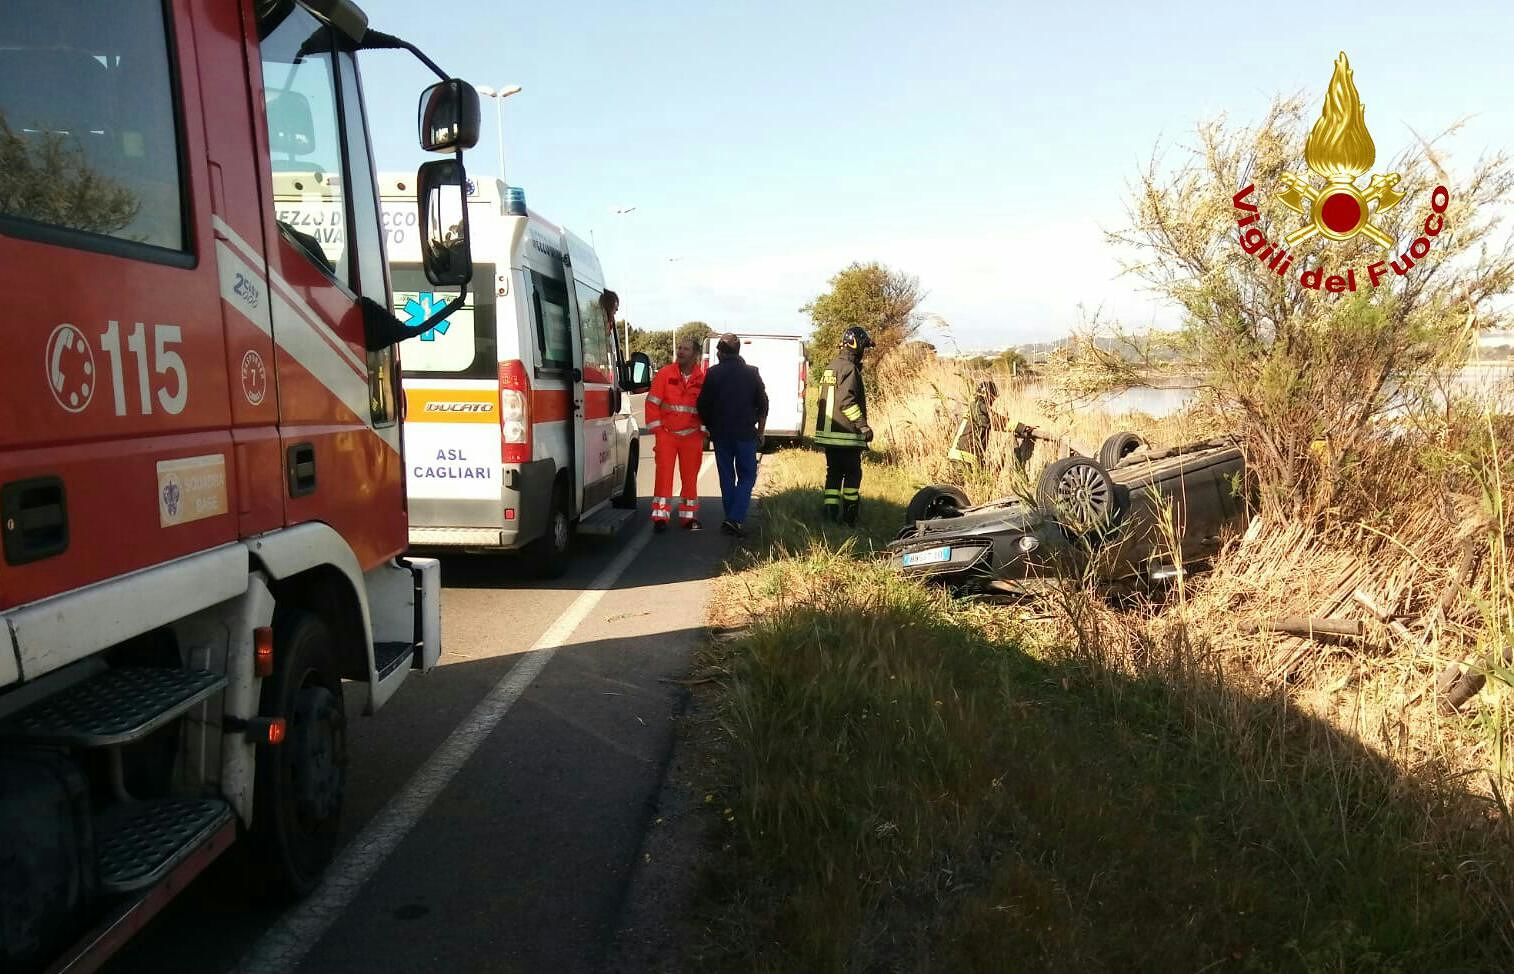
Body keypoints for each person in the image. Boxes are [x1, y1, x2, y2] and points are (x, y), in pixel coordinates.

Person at [697, 332, 769, 537]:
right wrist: (761, 432)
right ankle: (735, 519)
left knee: (726, 477)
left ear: (720, 352)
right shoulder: (752, 373)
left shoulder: (712, 374)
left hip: (721, 435)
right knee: (747, 476)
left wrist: (709, 426)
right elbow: (763, 405)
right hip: (746, 434)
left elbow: (702, 405)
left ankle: (732, 518)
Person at [813, 325, 875, 525]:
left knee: (833, 474)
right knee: (852, 475)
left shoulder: (832, 367)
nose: (865, 351)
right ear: (857, 346)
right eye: (864, 347)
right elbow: (846, 402)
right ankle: (850, 516)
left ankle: (830, 515)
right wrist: (863, 426)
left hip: (829, 436)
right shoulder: (849, 369)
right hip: (846, 435)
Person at [645, 337, 706, 532]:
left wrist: (703, 432)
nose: (680, 351)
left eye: (685, 349)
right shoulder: (664, 374)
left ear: (695, 354)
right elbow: (652, 403)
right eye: (679, 348)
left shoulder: (702, 378)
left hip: (692, 436)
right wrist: (658, 431)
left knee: (690, 478)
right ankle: (660, 518)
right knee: (663, 477)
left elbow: (707, 408)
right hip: (667, 435)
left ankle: (688, 518)